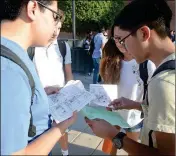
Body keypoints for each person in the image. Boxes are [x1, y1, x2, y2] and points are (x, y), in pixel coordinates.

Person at [85, 0, 175, 155]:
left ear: (144, 33)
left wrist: (112, 134)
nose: (121, 46)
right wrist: (135, 104)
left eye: (122, 39)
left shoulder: (163, 83)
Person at [1, 0, 77, 155]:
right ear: (33, 9)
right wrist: (60, 128)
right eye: (55, 16)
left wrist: (36, 94)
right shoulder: (9, 70)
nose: (55, 25)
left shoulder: (12, 55)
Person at [99, 28, 156, 155]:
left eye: (123, 37)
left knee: (132, 149)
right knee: (110, 147)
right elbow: (106, 85)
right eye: (116, 38)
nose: (120, 42)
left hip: (133, 117)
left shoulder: (147, 64)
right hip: (113, 113)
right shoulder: (111, 60)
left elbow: (152, 96)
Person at [33, 19, 73, 156]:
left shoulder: (63, 46)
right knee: (43, 136)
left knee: (62, 131)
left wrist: (72, 94)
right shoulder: (33, 47)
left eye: (60, 28)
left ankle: (65, 153)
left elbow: (68, 73)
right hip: (41, 101)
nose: (56, 32)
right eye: (54, 27)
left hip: (60, 98)